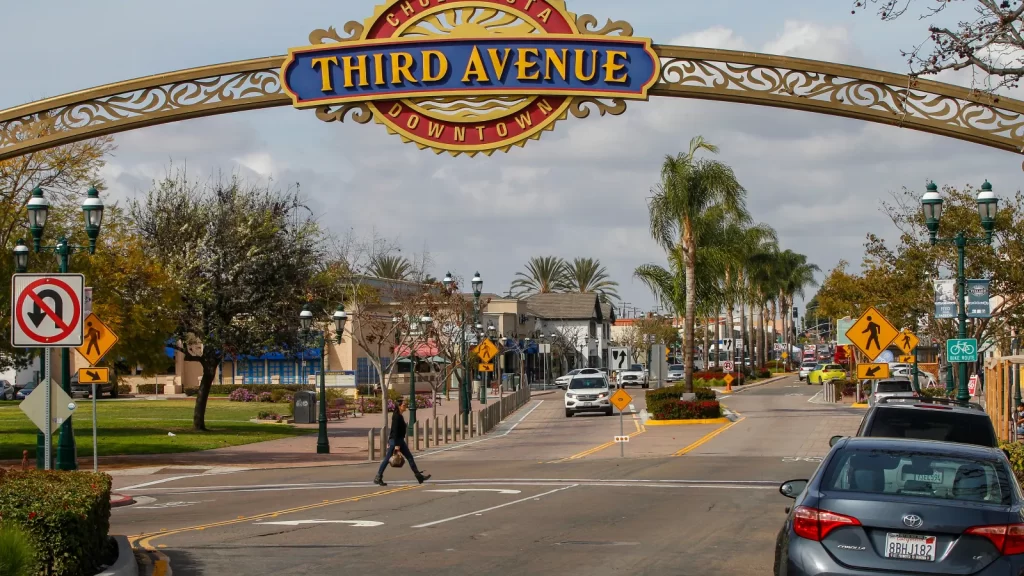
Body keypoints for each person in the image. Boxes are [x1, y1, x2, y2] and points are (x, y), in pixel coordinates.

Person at [374, 397, 430, 486]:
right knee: (387, 459)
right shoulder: (396, 417)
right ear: (399, 406)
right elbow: (395, 431)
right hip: (395, 441)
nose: (405, 406)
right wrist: (396, 446)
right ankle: (378, 477)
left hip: (400, 440)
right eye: (404, 405)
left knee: (410, 457)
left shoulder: (399, 415)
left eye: (405, 405)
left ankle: (419, 476)